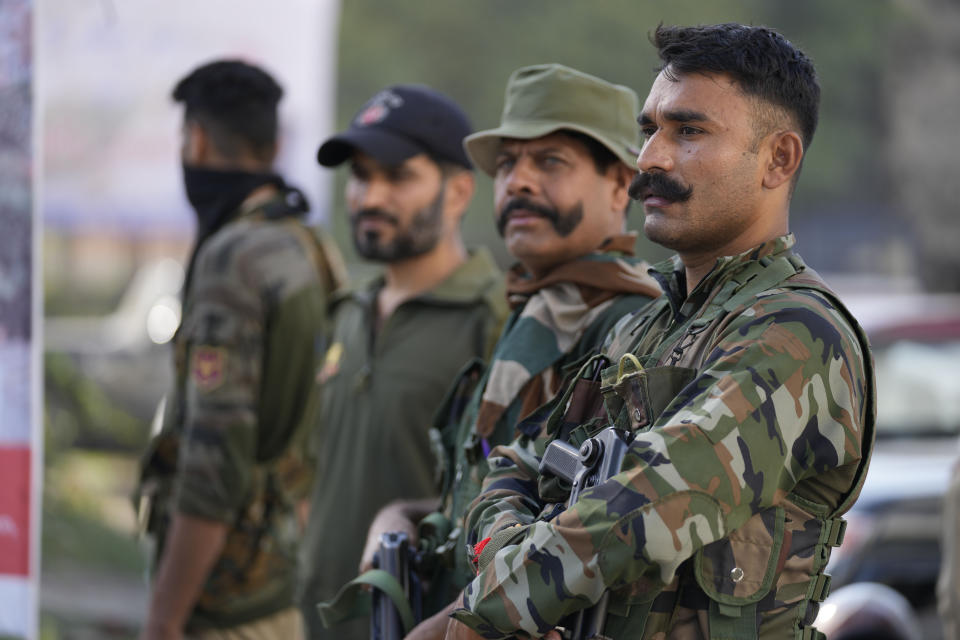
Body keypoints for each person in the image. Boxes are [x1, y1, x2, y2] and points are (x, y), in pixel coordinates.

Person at [451, 23, 876, 640]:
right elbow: (517, 463)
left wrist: (503, 602)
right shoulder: (644, 323)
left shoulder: (799, 334)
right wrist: (504, 556)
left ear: (778, 158)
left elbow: (655, 497)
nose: (650, 158)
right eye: (650, 129)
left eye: (690, 131)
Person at [352, 64, 663, 639]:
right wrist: (405, 515)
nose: (518, 182)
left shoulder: (629, 327)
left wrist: (443, 629)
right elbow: (492, 487)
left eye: (550, 162)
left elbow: (578, 536)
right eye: (507, 164)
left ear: (622, 185)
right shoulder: (536, 308)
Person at [136, 59, 346, 640]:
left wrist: (164, 620)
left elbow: (213, 464)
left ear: (196, 140)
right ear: (275, 143)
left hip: (221, 609)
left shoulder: (235, 258)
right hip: (277, 589)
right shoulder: (307, 244)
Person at [297, 84, 509, 640]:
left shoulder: (496, 321)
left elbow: (504, 498)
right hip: (319, 619)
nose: (370, 197)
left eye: (398, 178)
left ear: (460, 190)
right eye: (361, 177)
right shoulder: (346, 313)